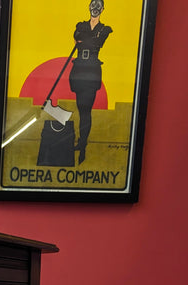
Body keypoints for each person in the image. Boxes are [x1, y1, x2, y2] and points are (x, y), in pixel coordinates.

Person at [69, 0, 112, 163]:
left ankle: (83, 145)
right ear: (88, 7)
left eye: (98, 6)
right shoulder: (81, 25)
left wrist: (84, 41)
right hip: (79, 70)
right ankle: (81, 144)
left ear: (102, 9)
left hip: (91, 71)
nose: (94, 8)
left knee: (86, 110)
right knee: (82, 109)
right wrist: (86, 41)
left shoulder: (105, 29)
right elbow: (78, 38)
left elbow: (97, 43)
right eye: (92, 5)